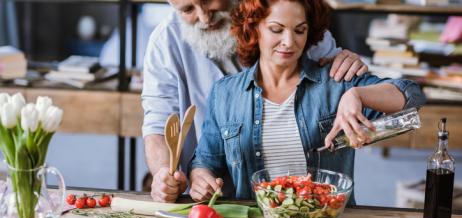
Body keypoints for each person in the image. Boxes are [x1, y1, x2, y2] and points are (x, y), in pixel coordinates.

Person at [188, 0, 426, 203]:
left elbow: (412, 95)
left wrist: (357, 94)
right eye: (276, 29)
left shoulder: (336, 82)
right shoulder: (225, 93)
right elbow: (205, 162)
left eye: (299, 30)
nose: (289, 42)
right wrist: (200, 179)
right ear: (254, 28)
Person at [142, 0, 369, 202]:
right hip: (212, 197)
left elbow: (334, 72)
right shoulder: (165, 41)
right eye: (188, 10)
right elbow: (159, 122)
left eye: (209, 1)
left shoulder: (282, 13)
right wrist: (164, 173)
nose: (204, 18)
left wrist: (347, 68)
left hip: (298, 194)